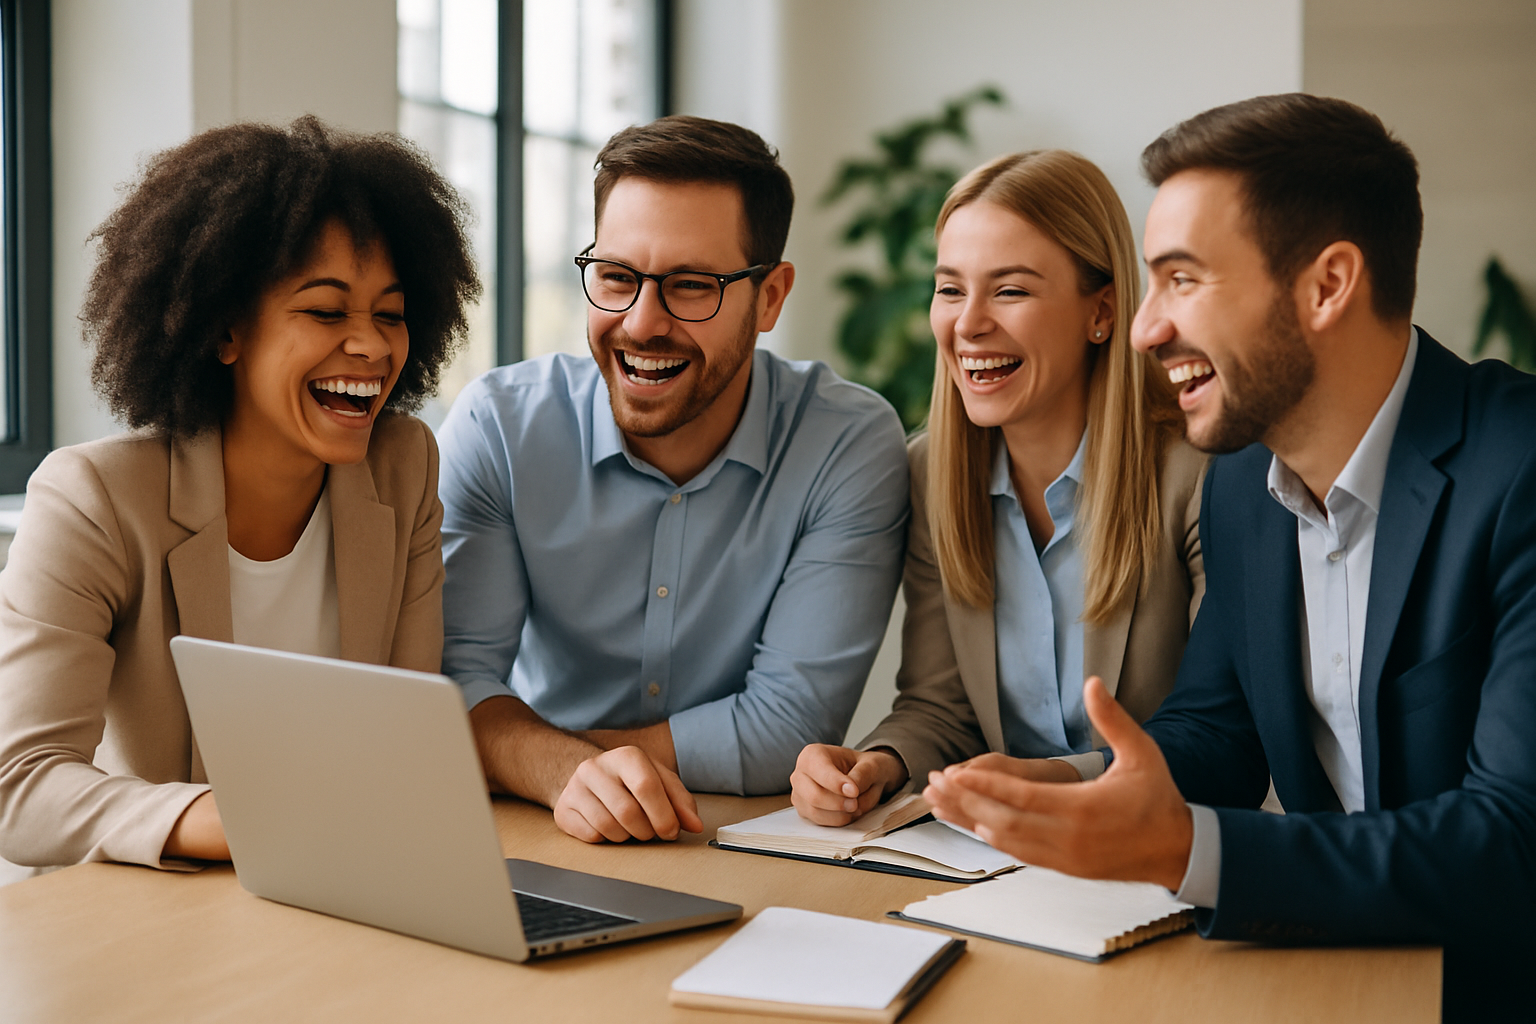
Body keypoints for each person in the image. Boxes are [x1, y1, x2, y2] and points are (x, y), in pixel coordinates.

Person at [922, 94, 1535, 1019]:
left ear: (1328, 285)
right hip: (1336, 972)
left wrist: (1182, 850)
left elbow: (1511, 843)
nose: (1142, 329)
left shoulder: (1519, 472)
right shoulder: (1246, 482)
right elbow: (1218, 736)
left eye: (1183, 280)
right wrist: (1083, 792)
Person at [0, 117, 479, 870]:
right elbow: (19, 788)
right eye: (326, 311)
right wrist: (226, 819)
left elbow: (403, 745)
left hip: (337, 889)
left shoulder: (402, 467)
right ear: (226, 331)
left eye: (390, 314)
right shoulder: (93, 499)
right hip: (147, 917)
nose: (374, 346)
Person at [437, 115, 908, 845]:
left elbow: (787, 725)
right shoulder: (500, 430)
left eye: (692, 286)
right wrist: (560, 773)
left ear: (771, 298)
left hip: (734, 845)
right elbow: (455, 685)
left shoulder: (845, 443)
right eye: (617, 278)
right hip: (531, 833)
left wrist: (532, 756)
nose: (642, 323)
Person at [789, 150, 1205, 826]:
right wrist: (878, 765)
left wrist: (1057, 779)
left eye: (1009, 290)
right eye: (950, 289)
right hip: (994, 861)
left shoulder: (1198, 473)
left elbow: (1220, 735)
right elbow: (941, 708)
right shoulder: (930, 474)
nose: (968, 323)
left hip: (1154, 847)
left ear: (1101, 312)